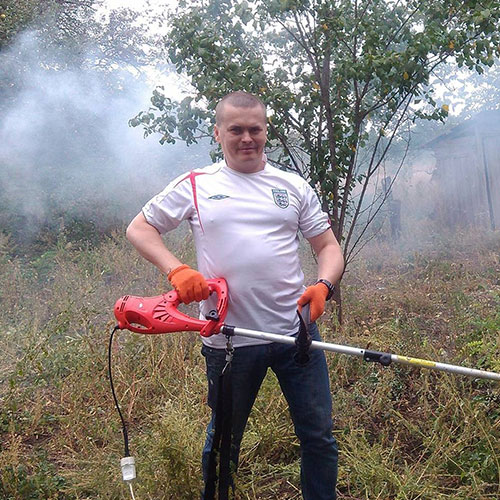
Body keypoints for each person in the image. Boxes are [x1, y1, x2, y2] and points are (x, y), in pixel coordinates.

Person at [126, 91, 344, 500]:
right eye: (236, 130)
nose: (247, 138)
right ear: (218, 133)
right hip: (229, 341)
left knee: (319, 436)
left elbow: (328, 247)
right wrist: (177, 269)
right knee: (225, 441)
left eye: (255, 129)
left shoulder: (292, 186)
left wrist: (324, 286)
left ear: (266, 132)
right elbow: (139, 228)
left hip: (296, 336)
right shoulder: (196, 185)